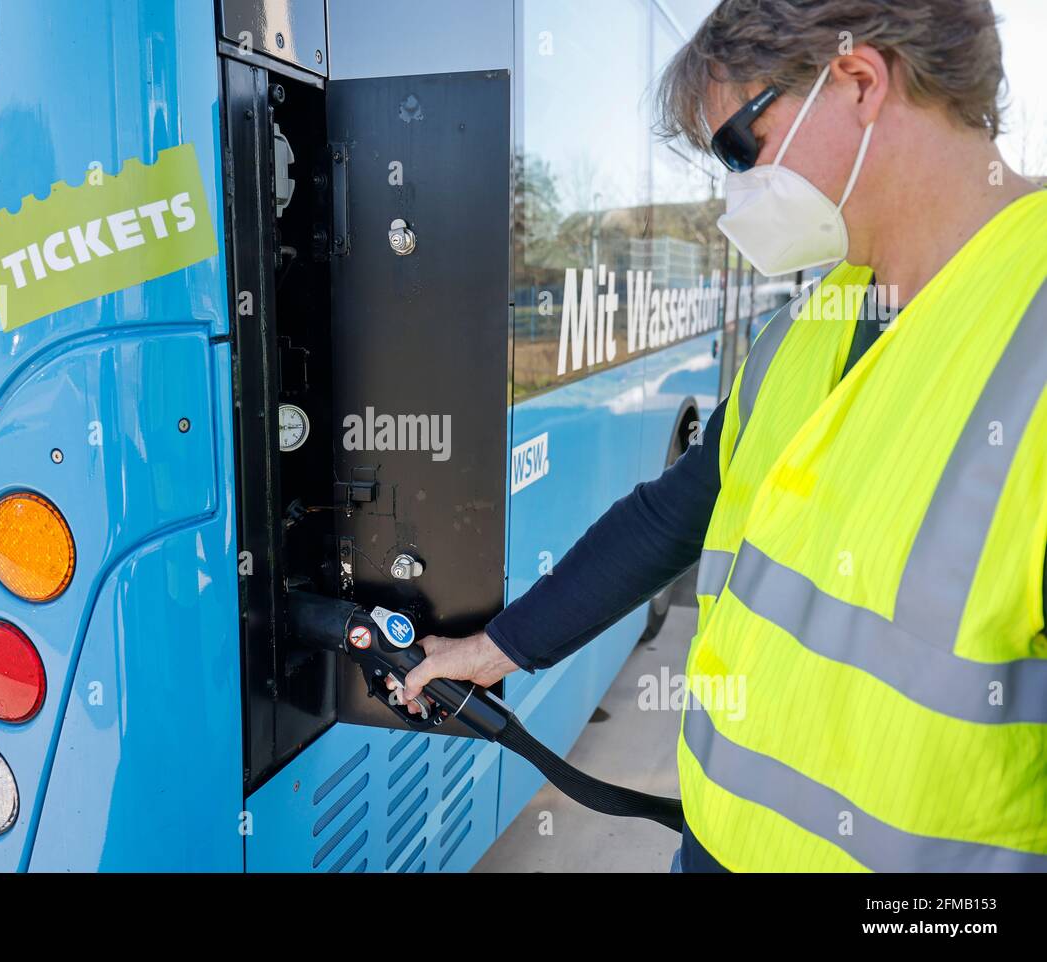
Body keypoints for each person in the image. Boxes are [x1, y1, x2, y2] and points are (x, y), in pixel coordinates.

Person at [389, 0, 1047, 872]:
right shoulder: (814, 322)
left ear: (858, 81)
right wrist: (496, 648)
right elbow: (677, 514)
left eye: (738, 147)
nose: (731, 188)